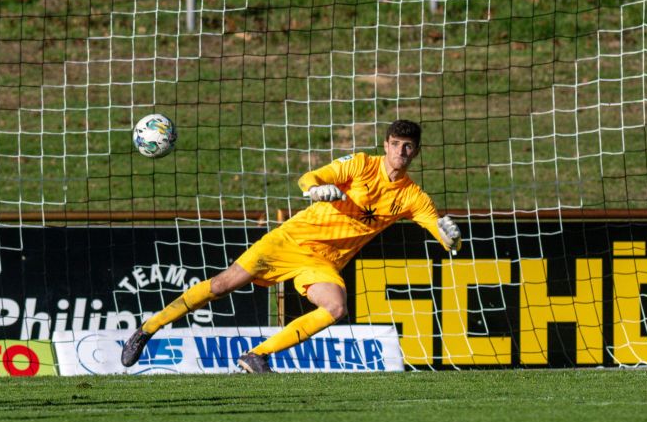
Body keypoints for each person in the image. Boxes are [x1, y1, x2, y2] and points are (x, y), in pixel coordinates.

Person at [121, 119, 461, 373]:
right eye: (396, 144)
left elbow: (439, 232)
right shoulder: (360, 164)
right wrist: (316, 190)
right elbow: (310, 178)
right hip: (290, 239)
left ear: (416, 151)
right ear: (386, 144)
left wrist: (451, 238)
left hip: (322, 262)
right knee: (222, 285)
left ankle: (257, 355)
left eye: (409, 146)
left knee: (336, 308)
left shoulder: (413, 196)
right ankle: (147, 329)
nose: (401, 151)